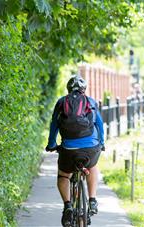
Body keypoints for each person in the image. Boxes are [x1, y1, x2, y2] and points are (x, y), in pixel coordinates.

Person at [45, 75, 105, 227]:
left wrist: (52, 144)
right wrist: (101, 143)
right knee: (92, 166)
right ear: (84, 90)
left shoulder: (61, 102)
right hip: (90, 149)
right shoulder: (90, 102)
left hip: (69, 150)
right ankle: (92, 200)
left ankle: (68, 206)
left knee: (64, 175)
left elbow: (54, 126)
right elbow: (99, 124)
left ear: (68, 89)